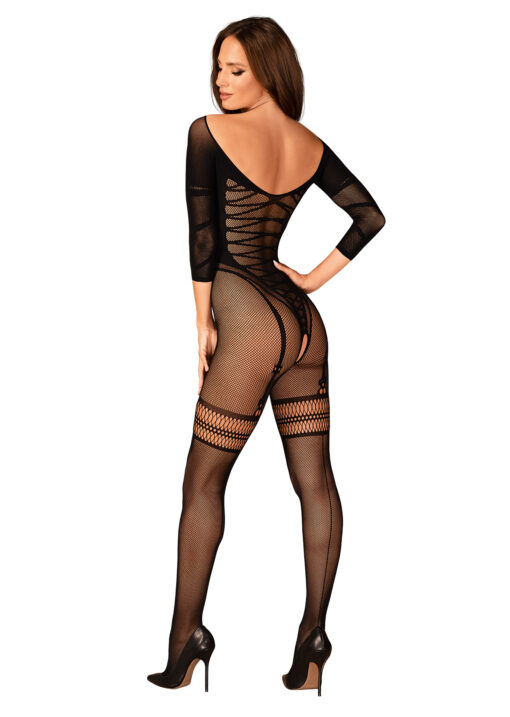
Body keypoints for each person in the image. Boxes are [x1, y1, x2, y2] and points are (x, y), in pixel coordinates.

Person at [147, 16, 385, 696]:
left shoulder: (207, 133)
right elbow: (369, 216)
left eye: (236, 70)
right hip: (305, 327)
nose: (221, 82)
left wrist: (203, 322)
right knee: (316, 483)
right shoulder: (308, 144)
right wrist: (310, 279)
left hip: (249, 323)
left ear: (270, 72)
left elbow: (204, 239)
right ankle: (314, 639)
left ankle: (185, 641)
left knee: (202, 484)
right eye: (217, 68)